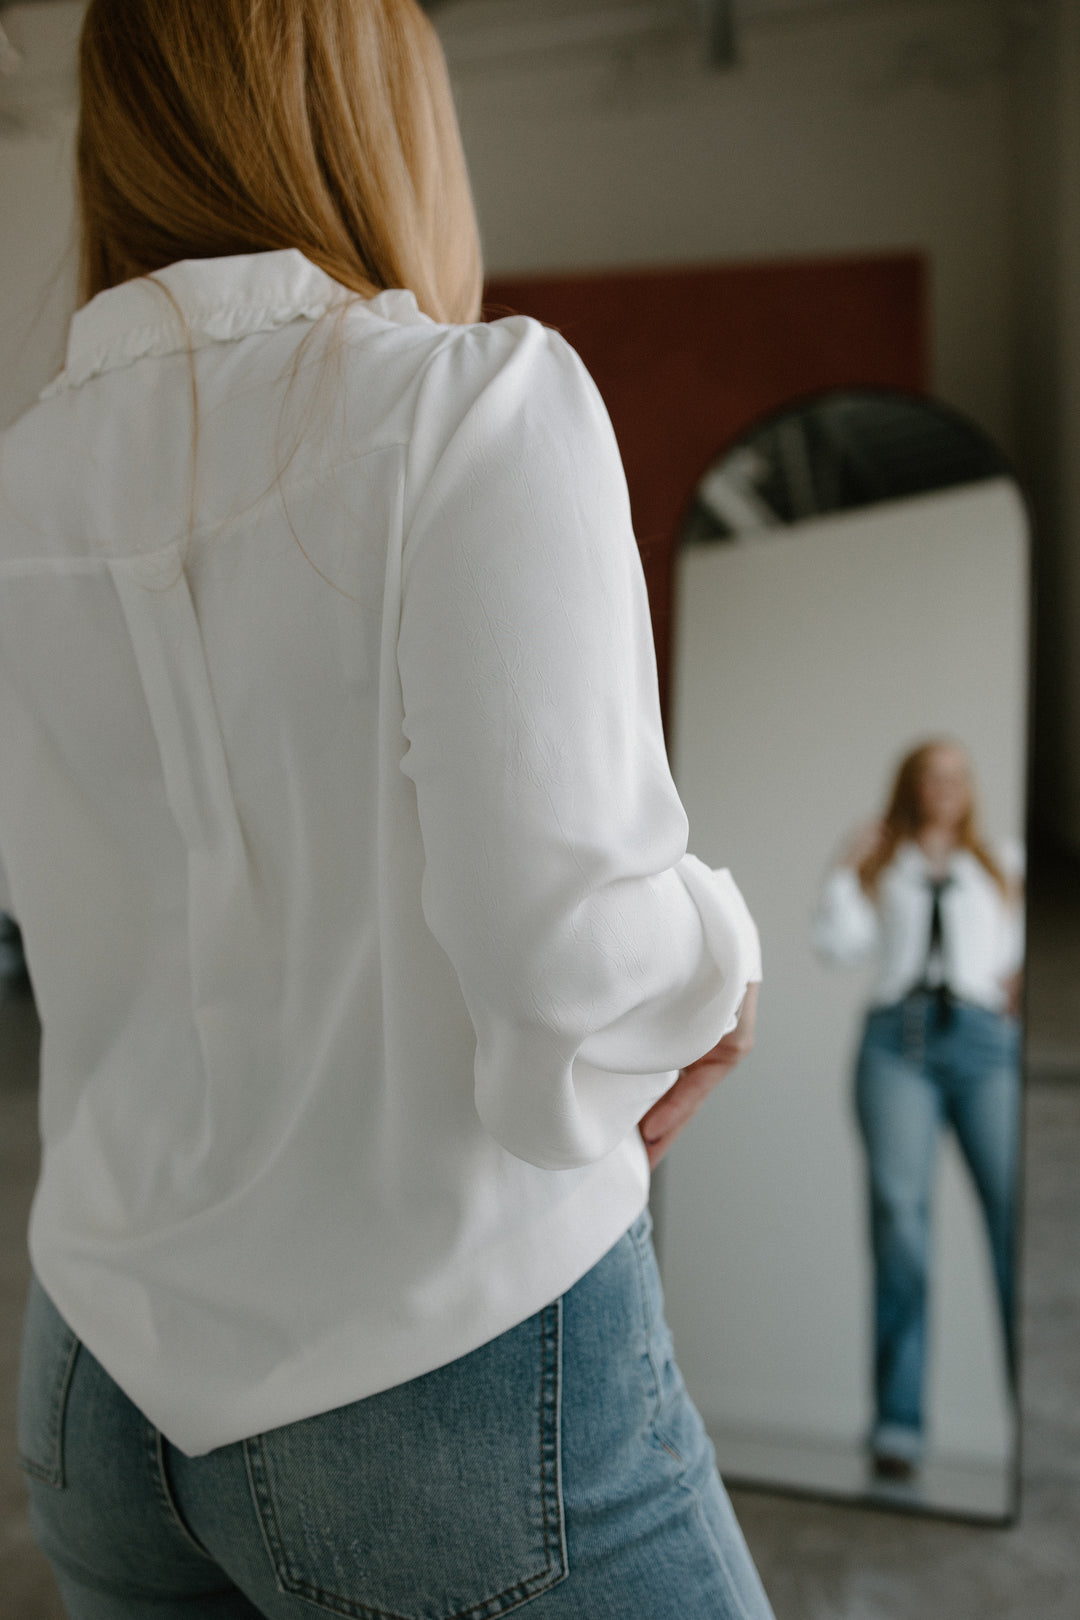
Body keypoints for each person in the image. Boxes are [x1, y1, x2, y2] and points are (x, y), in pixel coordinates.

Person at [0, 3, 773, 1614]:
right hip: (438, 1364)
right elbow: (576, 978)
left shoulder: (22, 481)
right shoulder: (468, 408)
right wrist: (724, 951)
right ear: (374, 120)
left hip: (95, 1371)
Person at [813, 739, 1023, 1481]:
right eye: (934, 776)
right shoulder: (886, 865)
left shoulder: (1001, 862)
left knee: (1015, 1224)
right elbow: (837, 946)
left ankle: (1037, 1425)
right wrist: (846, 867)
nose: (948, 787)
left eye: (959, 775)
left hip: (986, 1045)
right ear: (912, 785)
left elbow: (1012, 961)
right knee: (901, 1222)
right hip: (895, 1045)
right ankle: (898, 1427)